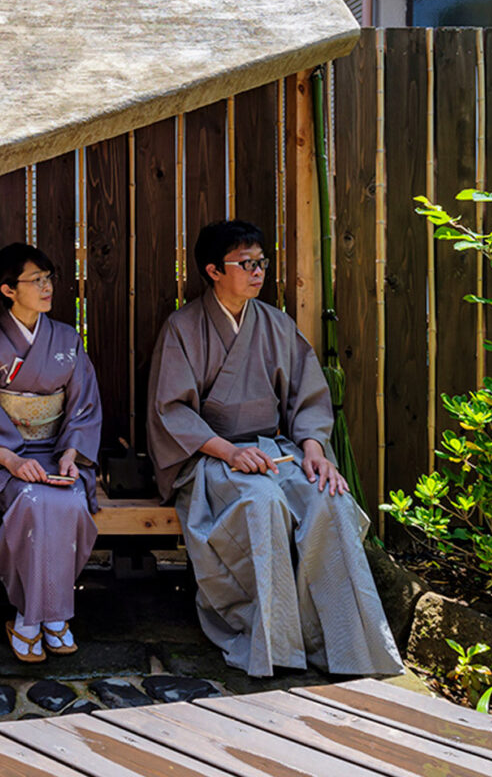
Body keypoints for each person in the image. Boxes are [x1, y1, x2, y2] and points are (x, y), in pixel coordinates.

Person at [147, 219, 401, 678]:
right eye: (245, 263)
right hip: (211, 458)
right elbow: (172, 410)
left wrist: (313, 449)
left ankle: (343, 646)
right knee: (261, 502)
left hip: (274, 450)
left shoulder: (276, 325)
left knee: (329, 499)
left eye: (261, 262)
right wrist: (228, 452)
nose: (258, 271)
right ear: (213, 271)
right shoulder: (183, 328)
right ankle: (276, 644)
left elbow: (308, 397)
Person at [0, 243, 104, 663]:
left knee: (70, 502)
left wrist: (72, 453)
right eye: (35, 280)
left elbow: (84, 406)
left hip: (57, 452)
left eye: (48, 278)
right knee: (33, 502)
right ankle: (36, 616)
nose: (46, 286)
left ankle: (43, 616)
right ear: (8, 290)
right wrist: (14, 461)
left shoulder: (67, 340)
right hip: (4, 459)